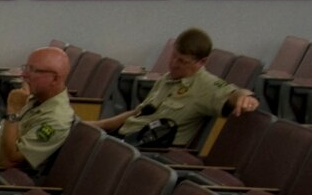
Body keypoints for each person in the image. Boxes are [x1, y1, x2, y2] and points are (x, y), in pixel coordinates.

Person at [93, 28, 257, 145]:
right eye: (174, 56)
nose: (173, 64)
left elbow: (232, 92)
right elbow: (137, 113)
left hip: (150, 152)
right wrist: (96, 125)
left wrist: (244, 96)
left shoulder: (205, 85)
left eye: (182, 61)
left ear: (202, 61)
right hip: (125, 140)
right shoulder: (167, 79)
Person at [0, 47, 74, 173]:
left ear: (55, 79)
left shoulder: (55, 120)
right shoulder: (34, 99)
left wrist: (13, 111)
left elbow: (10, 159)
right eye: (26, 68)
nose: (24, 74)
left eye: (34, 70)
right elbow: (3, 138)